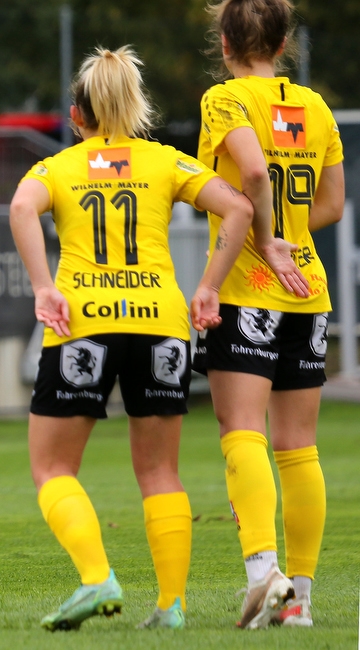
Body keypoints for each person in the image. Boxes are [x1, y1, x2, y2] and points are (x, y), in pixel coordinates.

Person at [10, 46, 255, 632]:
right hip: (160, 324)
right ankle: (171, 607)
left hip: (83, 324)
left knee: (52, 469)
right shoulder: (165, 161)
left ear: (77, 116)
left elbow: (21, 207)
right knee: (160, 472)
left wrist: (44, 288)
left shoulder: (59, 167)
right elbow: (242, 208)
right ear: (137, 106)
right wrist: (210, 287)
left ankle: (97, 578)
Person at [194, 0, 345, 629]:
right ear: (282, 45)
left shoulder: (223, 101)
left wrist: (262, 233)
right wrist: (287, 232)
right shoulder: (315, 108)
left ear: (225, 43)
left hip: (248, 289)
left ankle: (265, 575)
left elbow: (252, 169)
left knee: (242, 431)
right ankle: (299, 602)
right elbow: (334, 204)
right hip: (307, 291)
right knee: (300, 448)